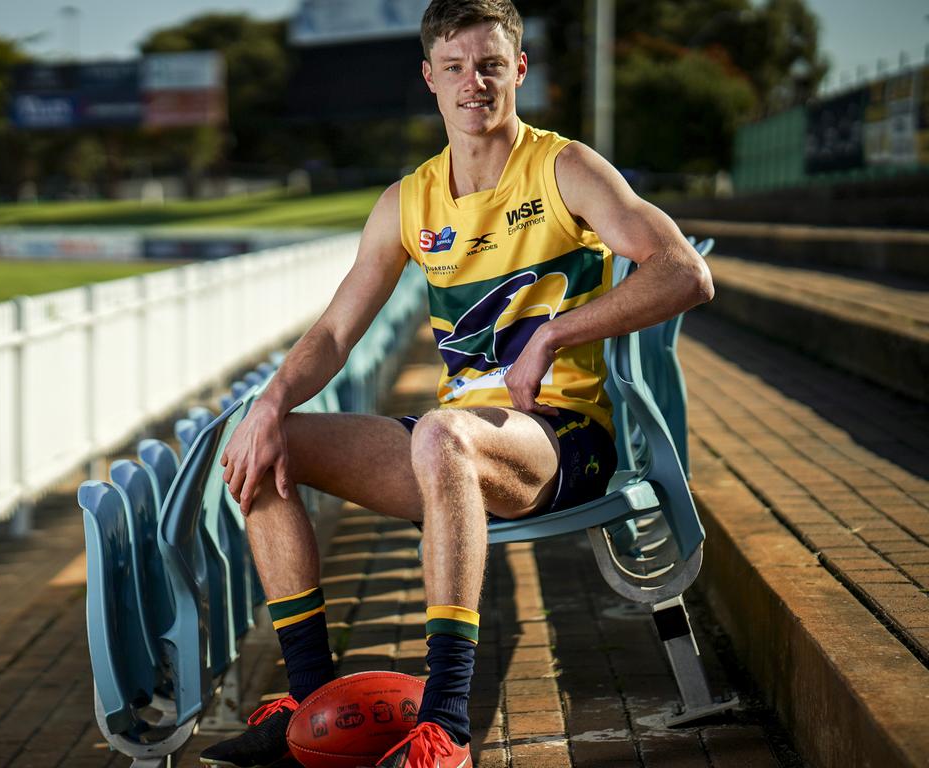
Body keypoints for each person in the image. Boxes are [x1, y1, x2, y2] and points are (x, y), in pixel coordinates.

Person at [200, 1, 713, 766]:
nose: (474, 83)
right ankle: (306, 699)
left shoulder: (562, 167)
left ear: (519, 71)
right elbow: (337, 331)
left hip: (563, 438)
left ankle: (446, 724)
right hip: (459, 448)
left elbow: (684, 272)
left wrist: (554, 333)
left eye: (490, 65)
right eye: (455, 67)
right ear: (430, 79)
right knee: (261, 445)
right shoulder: (409, 200)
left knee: (442, 433)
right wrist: (271, 403)